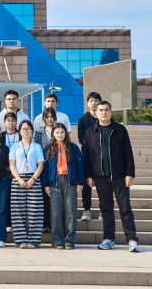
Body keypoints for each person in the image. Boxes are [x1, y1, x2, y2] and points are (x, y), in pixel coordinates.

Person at [84, 101, 139, 253]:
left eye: (106, 110)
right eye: (101, 110)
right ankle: (108, 239)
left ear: (111, 112)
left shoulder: (120, 130)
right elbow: (86, 156)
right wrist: (88, 175)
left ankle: (132, 239)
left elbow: (128, 153)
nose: (104, 113)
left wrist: (129, 173)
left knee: (125, 208)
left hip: (119, 175)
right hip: (100, 176)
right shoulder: (90, 132)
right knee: (106, 208)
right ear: (96, 112)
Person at [42, 123, 84, 250]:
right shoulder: (48, 149)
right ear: (53, 134)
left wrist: (80, 183)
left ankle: (69, 240)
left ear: (66, 133)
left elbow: (79, 166)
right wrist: (45, 184)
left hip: (70, 182)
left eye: (62, 132)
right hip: (54, 183)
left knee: (71, 211)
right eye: (57, 132)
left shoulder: (73, 148)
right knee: (56, 212)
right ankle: (57, 240)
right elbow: (45, 169)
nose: (60, 135)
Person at [9, 120, 45, 248]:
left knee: (35, 211)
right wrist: (18, 179)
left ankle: (33, 240)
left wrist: (33, 179)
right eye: (23, 129)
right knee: (18, 211)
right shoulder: (14, 147)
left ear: (32, 131)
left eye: (28, 128)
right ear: (19, 131)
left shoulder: (37, 147)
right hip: (18, 179)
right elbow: (11, 165)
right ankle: (21, 240)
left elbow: (40, 165)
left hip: (33, 179)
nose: (26, 131)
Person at [78, 92, 102, 222]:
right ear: (87, 103)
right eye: (91, 100)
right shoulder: (83, 119)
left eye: (96, 100)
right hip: (87, 156)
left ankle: (103, 211)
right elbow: (81, 139)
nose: (93, 103)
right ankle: (86, 210)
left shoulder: (103, 118)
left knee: (102, 186)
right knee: (87, 186)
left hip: (102, 157)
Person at [34, 107, 56, 233]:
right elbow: (36, 147)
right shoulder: (38, 132)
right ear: (43, 118)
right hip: (43, 165)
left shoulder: (59, 130)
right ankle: (46, 223)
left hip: (56, 165)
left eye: (51, 117)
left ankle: (56, 224)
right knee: (45, 197)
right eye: (47, 117)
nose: (49, 119)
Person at [0, 111, 19, 232]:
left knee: (17, 199)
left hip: (19, 171)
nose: (10, 123)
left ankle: (17, 223)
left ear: (16, 122)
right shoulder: (1, 136)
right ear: (4, 122)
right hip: (4, 171)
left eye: (13, 121)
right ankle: (7, 223)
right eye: (8, 121)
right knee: (5, 198)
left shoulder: (20, 135)